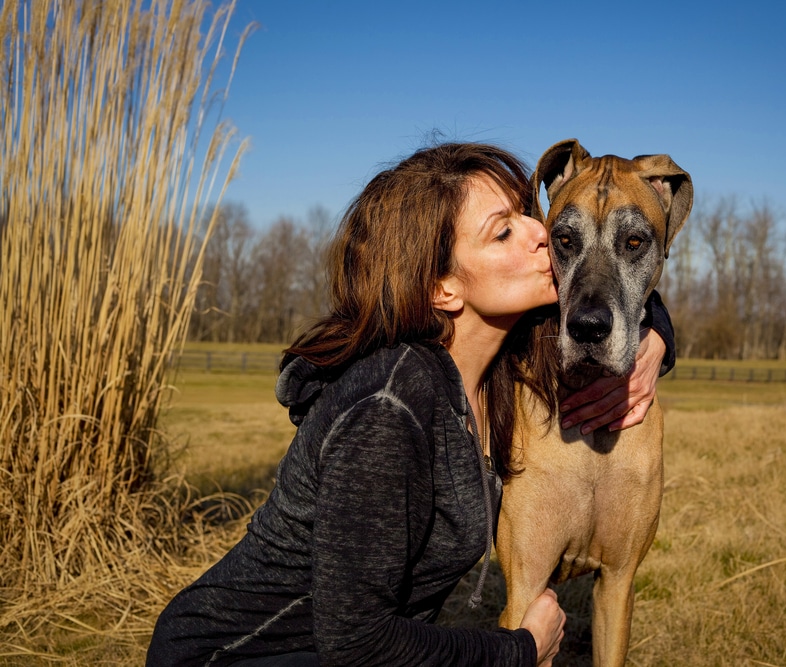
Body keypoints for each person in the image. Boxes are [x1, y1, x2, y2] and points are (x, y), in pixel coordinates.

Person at [147, 142, 675, 666]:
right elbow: (356, 645)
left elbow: (615, 278)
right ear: (443, 288)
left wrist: (656, 341)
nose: (542, 233)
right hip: (235, 655)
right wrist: (521, 650)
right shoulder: (388, 408)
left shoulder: (501, 367)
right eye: (504, 231)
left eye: (527, 215)